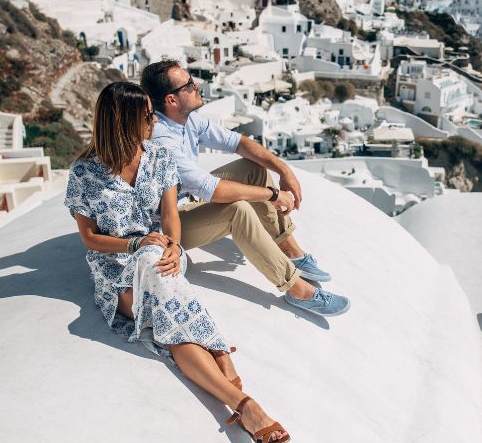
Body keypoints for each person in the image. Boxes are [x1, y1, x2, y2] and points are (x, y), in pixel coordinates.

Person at [64, 82, 289, 443]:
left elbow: (171, 216)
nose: (154, 121)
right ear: (122, 121)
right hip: (116, 267)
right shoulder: (84, 173)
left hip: (163, 255)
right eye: (146, 116)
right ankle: (234, 382)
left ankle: (243, 404)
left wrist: (174, 245)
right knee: (171, 323)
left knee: (164, 305)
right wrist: (136, 243)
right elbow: (89, 237)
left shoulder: (159, 157)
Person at [139, 60, 350, 317]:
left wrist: (284, 170)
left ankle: (290, 250)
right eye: (189, 85)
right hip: (165, 225)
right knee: (238, 211)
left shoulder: (187, 120)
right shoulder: (162, 139)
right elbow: (211, 189)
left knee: (253, 169)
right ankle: (298, 291)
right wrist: (272, 195)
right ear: (171, 100)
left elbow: (237, 143)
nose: (196, 86)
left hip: (184, 200)